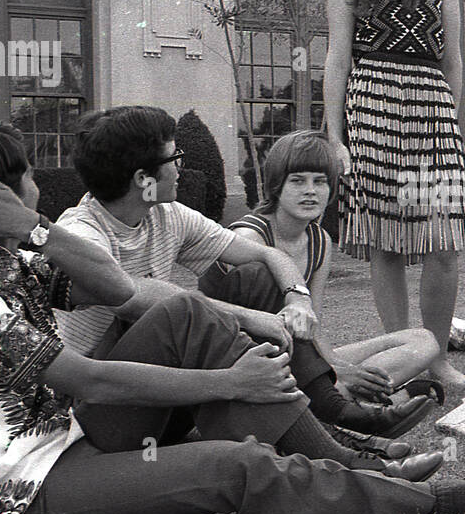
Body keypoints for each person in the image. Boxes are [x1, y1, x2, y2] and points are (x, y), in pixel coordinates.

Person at [0, 123, 465, 514]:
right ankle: (447, 499)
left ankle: (347, 456)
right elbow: (88, 375)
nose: (35, 183)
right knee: (238, 468)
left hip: (80, 434)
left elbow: (113, 289)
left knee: (186, 314)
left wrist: (32, 225)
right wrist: (232, 379)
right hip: (21, 490)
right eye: (23, 174)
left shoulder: (17, 258)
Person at [52, 106, 431, 446]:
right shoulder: (82, 236)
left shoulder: (165, 215)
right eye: (175, 157)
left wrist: (297, 295)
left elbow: (266, 254)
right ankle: (332, 425)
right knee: (185, 310)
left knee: (258, 275)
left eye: (320, 181)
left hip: (173, 390)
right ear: (142, 178)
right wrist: (254, 317)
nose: (181, 166)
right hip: (107, 408)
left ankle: (330, 414)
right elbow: (139, 297)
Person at [323, 0, 465, 396]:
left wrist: (453, 130)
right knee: (385, 242)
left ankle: (435, 357)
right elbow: (336, 61)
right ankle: (403, 356)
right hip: (371, 110)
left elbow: (454, 61)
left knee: (444, 241)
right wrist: (336, 136)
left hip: (432, 112)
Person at [199, 130, 443, 443]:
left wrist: (335, 367)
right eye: (297, 181)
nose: (310, 191)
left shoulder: (319, 240)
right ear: (276, 185)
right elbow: (246, 332)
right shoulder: (250, 238)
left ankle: (350, 395)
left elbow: (312, 323)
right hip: (246, 359)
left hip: (297, 356)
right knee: (328, 376)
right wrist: (330, 373)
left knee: (424, 340)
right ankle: (359, 399)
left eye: (320, 181)